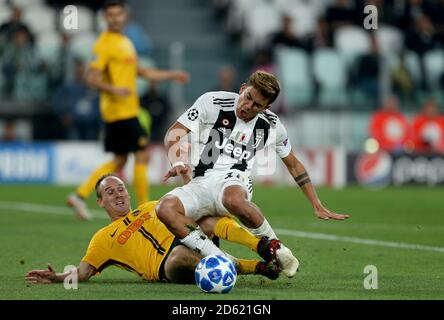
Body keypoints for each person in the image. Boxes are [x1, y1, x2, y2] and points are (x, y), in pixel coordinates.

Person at [156, 70, 350, 279]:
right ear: (242, 89)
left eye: (257, 105)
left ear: (266, 108)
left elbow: (294, 165)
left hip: (234, 180)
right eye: (248, 97)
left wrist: (316, 203)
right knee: (164, 209)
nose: (248, 106)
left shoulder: (272, 125)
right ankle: (220, 258)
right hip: (199, 183)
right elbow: (175, 133)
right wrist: (177, 161)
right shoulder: (212, 102)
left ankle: (277, 249)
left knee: (232, 199)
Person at [25, 174, 280, 285]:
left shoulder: (152, 206)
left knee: (206, 218)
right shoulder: (102, 239)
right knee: (179, 257)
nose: (119, 194)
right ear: (100, 202)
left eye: (121, 188)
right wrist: (57, 277)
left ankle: (262, 247)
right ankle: (256, 268)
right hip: (167, 266)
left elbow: (191, 209)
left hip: (192, 242)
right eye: (110, 192)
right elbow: (82, 273)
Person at [67, 0, 189, 220]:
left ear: (125, 16)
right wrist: (114, 89)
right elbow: (91, 78)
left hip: (125, 111)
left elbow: (140, 71)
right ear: (105, 18)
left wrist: (171, 75)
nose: (115, 18)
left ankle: (80, 194)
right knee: (141, 156)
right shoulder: (104, 44)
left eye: (118, 14)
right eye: (110, 15)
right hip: (119, 111)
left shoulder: (125, 41)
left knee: (120, 160)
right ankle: (145, 209)